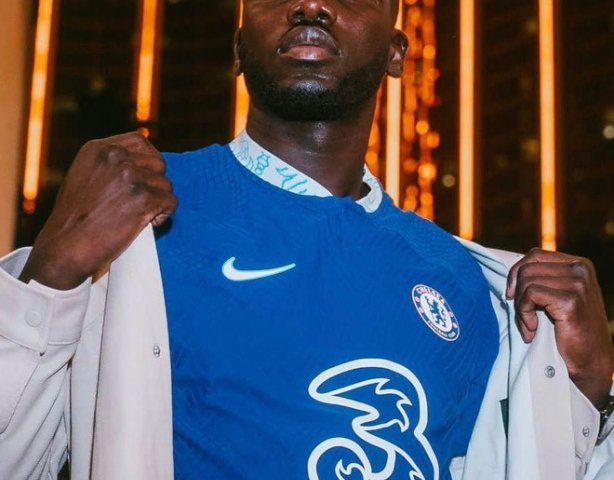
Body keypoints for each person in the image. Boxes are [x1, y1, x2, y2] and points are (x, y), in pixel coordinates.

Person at [1, 1, 613, 479]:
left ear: (396, 52)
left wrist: (588, 391)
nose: (310, 5)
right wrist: (51, 272)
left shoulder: (468, 283)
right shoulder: (136, 212)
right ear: (238, 48)